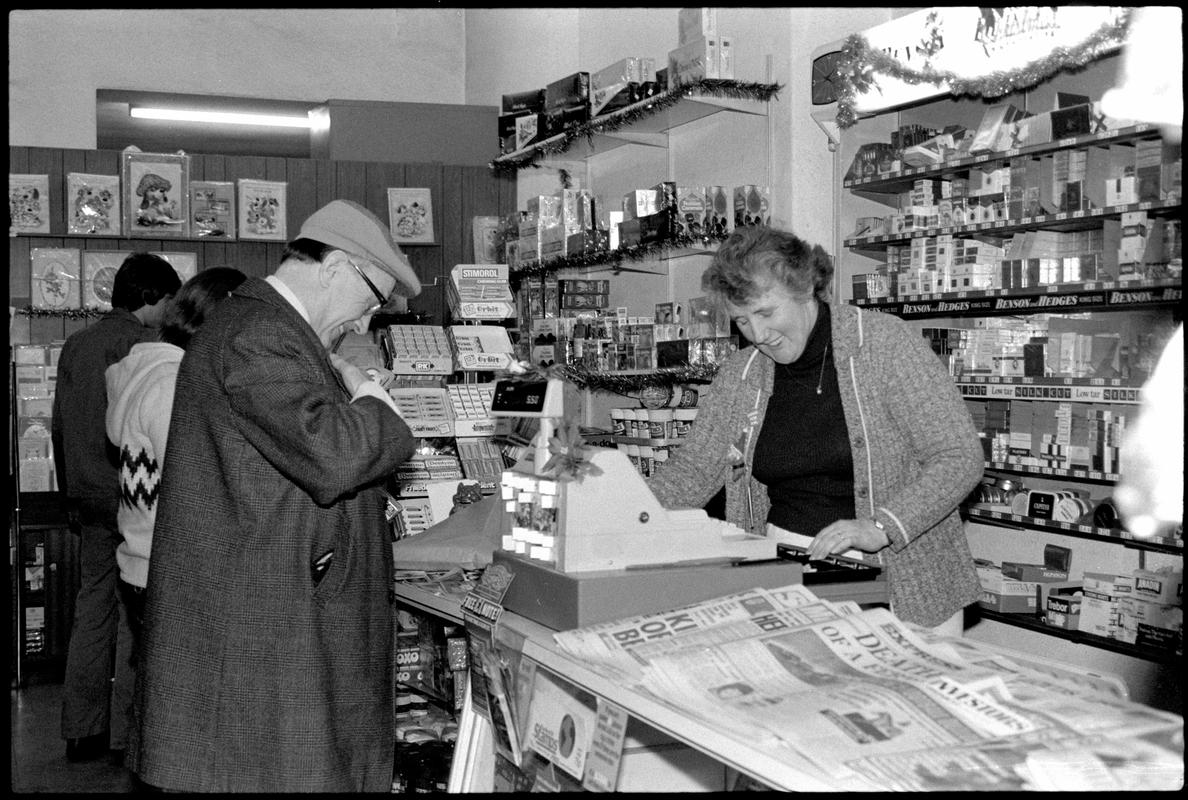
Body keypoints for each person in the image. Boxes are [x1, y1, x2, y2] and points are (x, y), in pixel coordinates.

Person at [129, 200, 421, 792]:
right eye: (372, 301)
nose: (365, 324)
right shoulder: (258, 333)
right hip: (263, 631)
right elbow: (334, 455)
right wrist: (373, 400)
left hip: (278, 615)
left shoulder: (269, 330)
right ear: (335, 267)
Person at [648, 225, 984, 632]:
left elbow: (959, 456)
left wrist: (882, 526)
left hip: (905, 577)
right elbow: (694, 468)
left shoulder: (883, 344)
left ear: (805, 288)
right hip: (791, 571)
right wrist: (618, 503)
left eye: (766, 313)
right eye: (742, 321)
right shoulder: (741, 374)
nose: (758, 335)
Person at [50, 252, 181, 763]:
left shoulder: (76, 344)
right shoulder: (144, 349)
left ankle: (81, 729)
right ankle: (129, 734)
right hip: (132, 497)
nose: (170, 311)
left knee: (92, 608)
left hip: (86, 494)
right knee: (134, 616)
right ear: (151, 298)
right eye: (169, 300)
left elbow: (59, 424)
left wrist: (70, 494)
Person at [104, 267, 247, 648]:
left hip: (149, 567)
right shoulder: (172, 383)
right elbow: (198, 489)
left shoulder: (154, 373)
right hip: (174, 574)